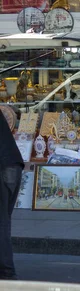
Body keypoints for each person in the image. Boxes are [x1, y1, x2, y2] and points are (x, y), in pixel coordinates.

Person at [0, 110, 24, 280]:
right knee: (3, 220)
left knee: (1, 222)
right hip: (12, 165)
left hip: (3, 167)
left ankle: (7, 271)